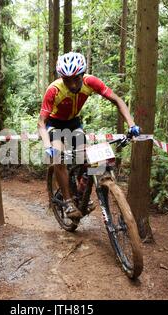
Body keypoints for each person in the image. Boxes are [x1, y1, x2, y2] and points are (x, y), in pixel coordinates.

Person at [37, 52, 140, 220]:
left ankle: (81, 194)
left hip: (73, 123)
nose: (72, 84)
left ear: (83, 74)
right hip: (54, 124)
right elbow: (41, 122)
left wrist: (131, 124)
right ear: (61, 78)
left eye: (76, 78)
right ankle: (69, 201)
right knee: (58, 155)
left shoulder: (90, 82)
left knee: (86, 157)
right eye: (67, 80)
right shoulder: (54, 90)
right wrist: (48, 146)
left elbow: (117, 100)